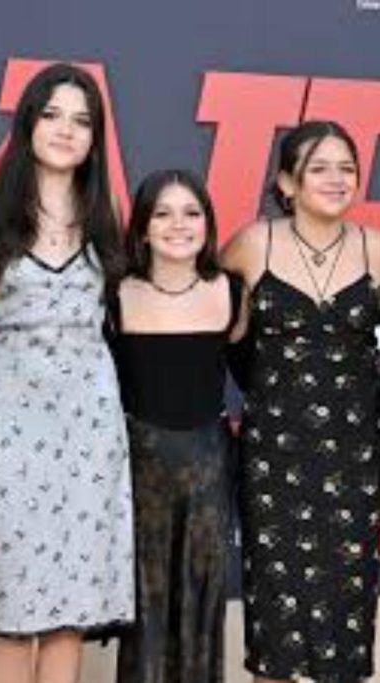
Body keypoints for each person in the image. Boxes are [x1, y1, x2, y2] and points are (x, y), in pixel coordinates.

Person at [0, 63, 134, 682]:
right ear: (28, 120)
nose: (66, 130)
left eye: (82, 120)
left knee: (70, 610)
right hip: (11, 417)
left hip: (88, 420)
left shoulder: (105, 209)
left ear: (96, 136)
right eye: (53, 114)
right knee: (14, 608)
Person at [221, 119, 380, 683]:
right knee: (276, 628)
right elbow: (217, 338)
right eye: (319, 167)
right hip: (275, 461)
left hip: (355, 462)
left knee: (344, 629)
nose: (337, 178)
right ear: (287, 183)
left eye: (348, 167)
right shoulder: (252, 245)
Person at [111, 170, 243, 682]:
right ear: (142, 229)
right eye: (162, 213)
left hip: (209, 471)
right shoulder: (114, 297)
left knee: (202, 604)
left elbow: (258, 378)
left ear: (208, 225)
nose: (178, 225)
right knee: (146, 603)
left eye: (191, 212)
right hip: (140, 475)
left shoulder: (232, 292)